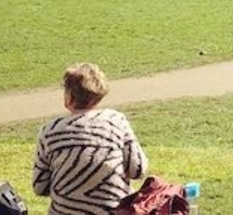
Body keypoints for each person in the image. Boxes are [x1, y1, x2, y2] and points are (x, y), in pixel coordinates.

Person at [33, 62, 148, 215]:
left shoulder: (50, 131)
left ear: (69, 96)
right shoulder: (116, 121)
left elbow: (39, 186)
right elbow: (137, 170)